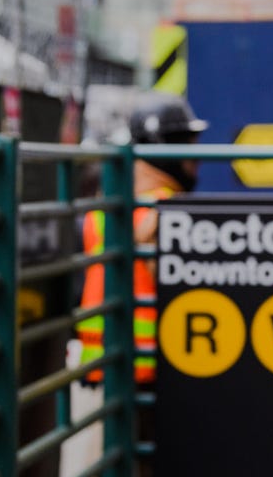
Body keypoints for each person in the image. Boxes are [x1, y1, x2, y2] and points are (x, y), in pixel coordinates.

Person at [76, 91, 205, 385]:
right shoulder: (164, 210)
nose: (195, 158)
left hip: (102, 362)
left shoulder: (109, 202)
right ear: (164, 148)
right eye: (187, 145)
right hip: (147, 369)